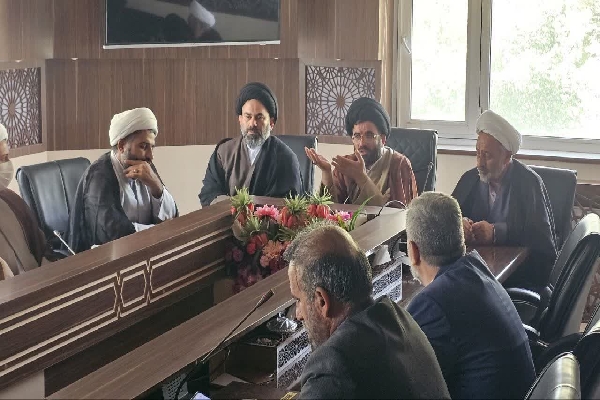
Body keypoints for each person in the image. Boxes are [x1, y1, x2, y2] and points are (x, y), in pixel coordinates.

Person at [284, 224, 450, 399]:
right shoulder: (397, 317)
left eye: (298, 300)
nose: (298, 314)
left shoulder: (335, 364)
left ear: (322, 301)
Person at [405, 192, 536, 399]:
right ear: (461, 240)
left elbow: (405, 383)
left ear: (413, 250)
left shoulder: (432, 304)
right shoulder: (476, 268)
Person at [452, 110, 557, 289]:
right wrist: (458, 225)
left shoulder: (529, 184)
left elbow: (541, 241)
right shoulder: (470, 179)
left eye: (487, 155)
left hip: (516, 280)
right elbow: (446, 215)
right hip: (472, 273)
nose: (479, 163)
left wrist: (496, 233)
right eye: (477, 153)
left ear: (507, 156)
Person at [67, 107, 178, 253]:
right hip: (102, 260)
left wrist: (156, 186)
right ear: (121, 146)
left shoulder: (144, 166)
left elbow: (173, 217)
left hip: (144, 253)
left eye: (152, 147)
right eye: (143, 146)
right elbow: (112, 235)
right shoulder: (99, 177)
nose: (150, 156)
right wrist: (160, 233)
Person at [199, 82, 302, 206]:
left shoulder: (286, 159)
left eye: (259, 117)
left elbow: (287, 205)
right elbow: (208, 194)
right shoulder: (223, 153)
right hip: (227, 218)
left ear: (272, 122)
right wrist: (233, 207)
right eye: (248, 116)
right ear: (240, 119)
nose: (253, 123)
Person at [305, 97, 417, 207]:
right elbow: (330, 209)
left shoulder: (399, 164)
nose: (362, 143)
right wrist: (326, 172)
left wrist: (361, 177)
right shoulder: (346, 165)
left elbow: (400, 214)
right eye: (357, 136)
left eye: (369, 136)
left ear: (382, 139)